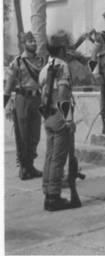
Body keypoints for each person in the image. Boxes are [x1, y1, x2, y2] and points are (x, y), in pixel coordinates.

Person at [39, 33, 78, 211]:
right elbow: (63, 94)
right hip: (60, 116)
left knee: (50, 156)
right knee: (58, 158)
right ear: (62, 49)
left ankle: (48, 192)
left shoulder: (45, 67)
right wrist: (68, 119)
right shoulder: (63, 66)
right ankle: (54, 197)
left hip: (48, 116)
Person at [3, 31, 43, 180]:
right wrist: (6, 105)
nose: (33, 43)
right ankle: (24, 168)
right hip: (22, 99)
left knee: (35, 135)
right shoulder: (18, 62)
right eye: (30, 41)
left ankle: (30, 165)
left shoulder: (40, 61)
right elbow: (8, 86)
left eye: (34, 40)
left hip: (37, 99)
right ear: (24, 44)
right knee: (23, 135)